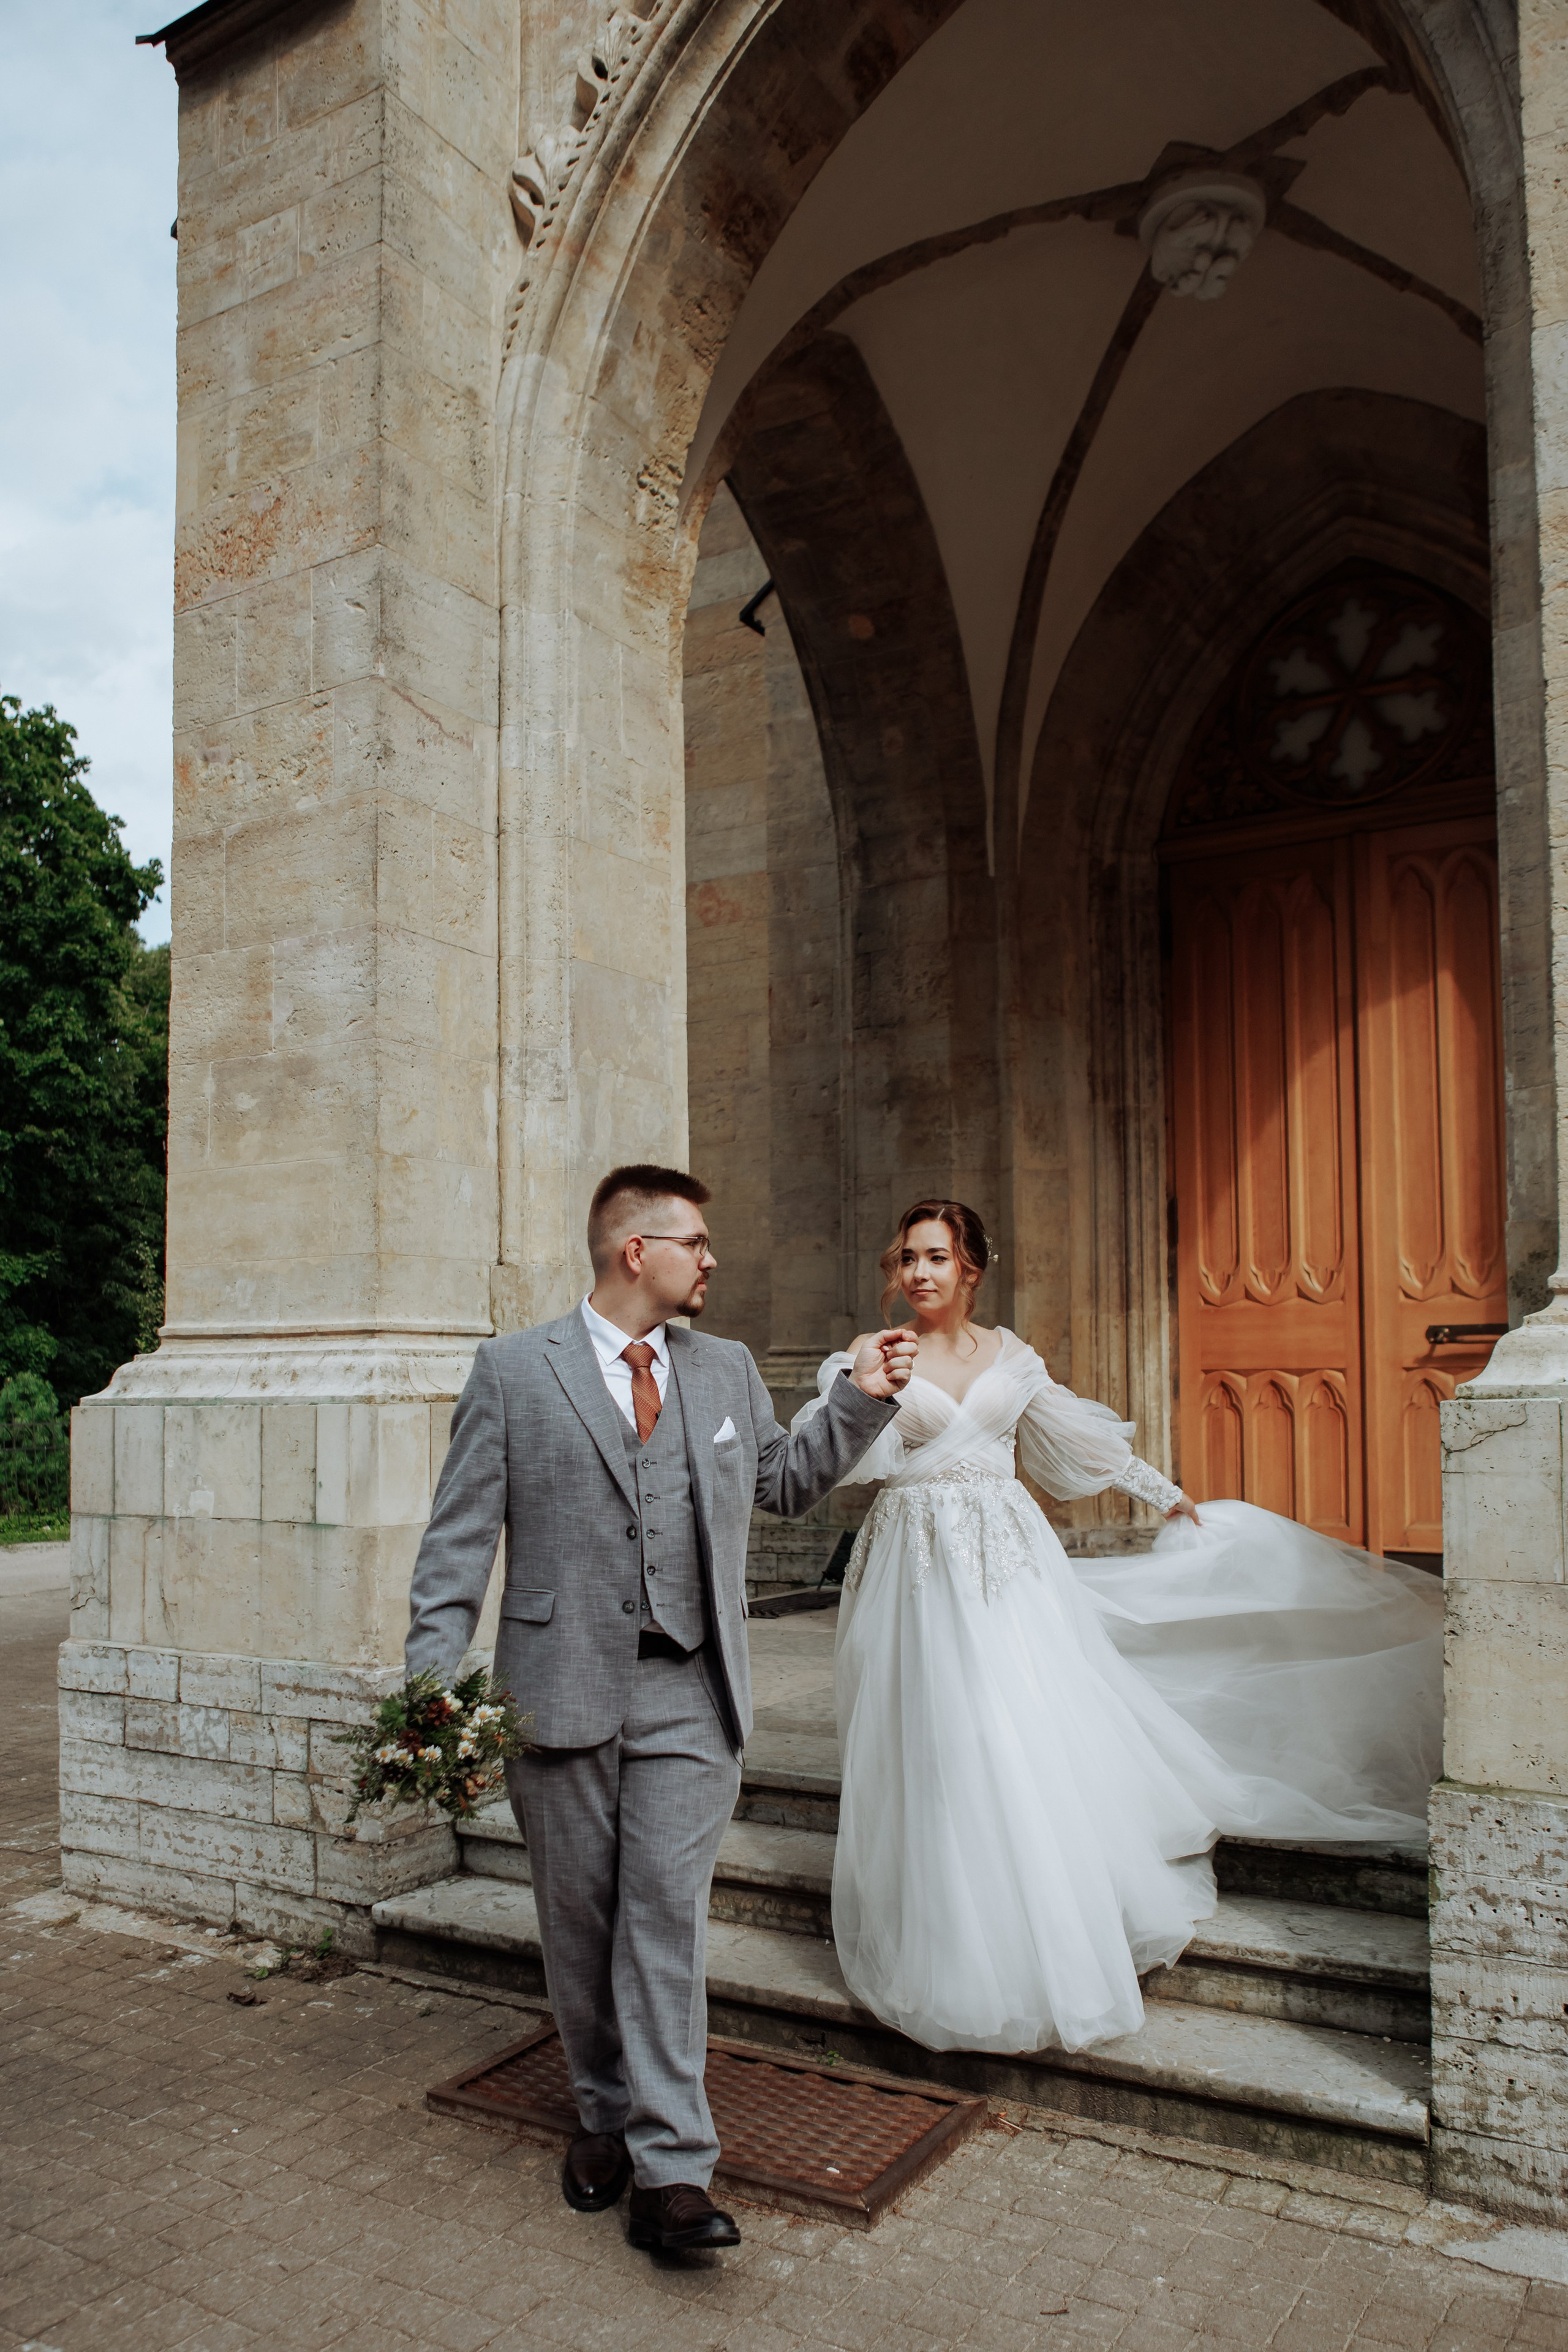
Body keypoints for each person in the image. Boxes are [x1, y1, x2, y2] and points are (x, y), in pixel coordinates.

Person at [404, 1165, 915, 2253]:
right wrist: (435, 1690)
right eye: (697, 1241)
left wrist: (861, 1396)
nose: (713, 1258)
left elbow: (780, 1482)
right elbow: (456, 1542)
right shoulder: (513, 1371)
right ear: (637, 1251)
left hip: (691, 1686)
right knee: (579, 1926)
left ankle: (674, 2170)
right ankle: (601, 2114)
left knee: (664, 1923)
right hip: (558, 1692)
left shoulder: (723, 1368)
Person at [798, 1199, 1442, 2057]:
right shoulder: (869, 1355)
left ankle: (1044, 1927)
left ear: (971, 1269)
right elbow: (835, 1460)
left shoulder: (1012, 1358)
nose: (918, 1273)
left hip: (1006, 1569)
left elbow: (1081, 1444)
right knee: (936, 1738)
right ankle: (953, 1935)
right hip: (911, 1568)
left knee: (1006, 1729)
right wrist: (864, 1387)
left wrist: (1165, 1494)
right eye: (908, 1258)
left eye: (937, 1258)